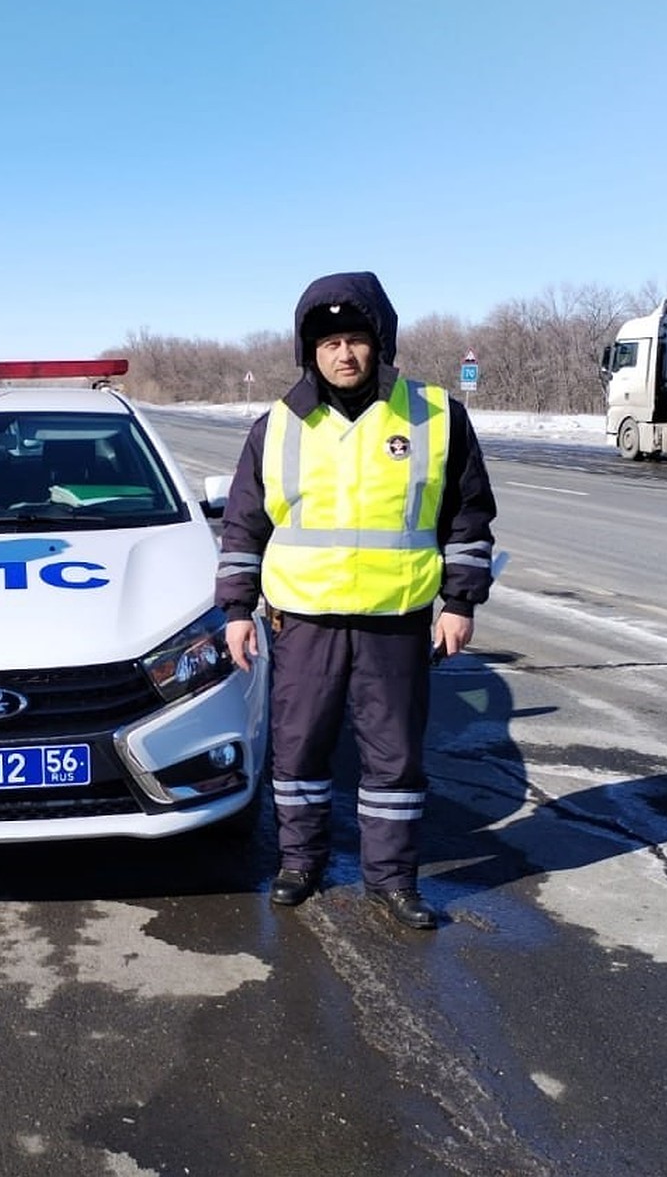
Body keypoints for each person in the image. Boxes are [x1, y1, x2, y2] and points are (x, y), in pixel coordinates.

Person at [216, 271, 496, 929]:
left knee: (395, 757)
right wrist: (235, 610)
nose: (345, 353)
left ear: (381, 343)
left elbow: (467, 519)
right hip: (302, 619)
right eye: (330, 341)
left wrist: (460, 601)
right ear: (309, 351)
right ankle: (299, 863)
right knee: (299, 749)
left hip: (395, 623)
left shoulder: (434, 416)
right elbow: (243, 526)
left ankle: (392, 880)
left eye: (357, 340)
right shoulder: (277, 425)